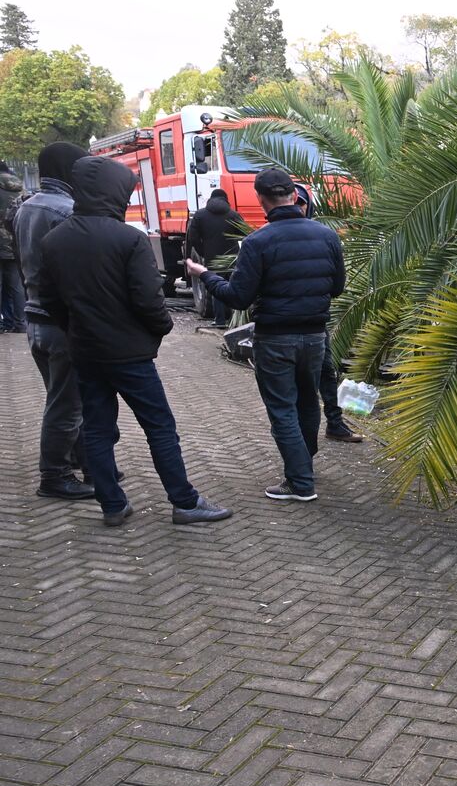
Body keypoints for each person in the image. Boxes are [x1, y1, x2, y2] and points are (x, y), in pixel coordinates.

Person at [37, 155, 232, 528]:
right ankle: (185, 501)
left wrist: (75, 330)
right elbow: (148, 300)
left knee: (96, 429)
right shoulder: (129, 239)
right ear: (114, 193)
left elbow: (49, 300)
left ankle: (112, 505)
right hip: (130, 355)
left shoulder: (54, 240)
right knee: (159, 427)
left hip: (86, 353)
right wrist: (159, 330)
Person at [187, 168, 345, 501]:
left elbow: (238, 297)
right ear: (293, 195)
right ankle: (305, 464)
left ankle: (301, 483)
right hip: (315, 336)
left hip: (275, 338)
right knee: (306, 400)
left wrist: (205, 275)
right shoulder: (327, 236)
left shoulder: (259, 241)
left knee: (282, 408)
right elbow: (338, 287)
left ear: (261, 199)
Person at [11, 143, 94, 499]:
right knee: (67, 404)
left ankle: (88, 461)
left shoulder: (23, 208)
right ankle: (55, 475)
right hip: (60, 323)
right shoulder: (68, 211)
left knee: (62, 397)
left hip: (34, 318)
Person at [291, 183, 363, 444]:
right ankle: (299, 450)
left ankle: (334, 423)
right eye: (294, 202)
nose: (298, 208)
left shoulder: (323, 237)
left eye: (301, 203)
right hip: (286, 329)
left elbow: (337, 285)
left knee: (326, 373)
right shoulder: (271, 237)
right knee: (299, 389)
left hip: (315, 322)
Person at [186, 188, 247, 328]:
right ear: (226, 199)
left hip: (212, 257)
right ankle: (235, 322)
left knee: (216, 287)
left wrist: (203, 252)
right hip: (232, 258)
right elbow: (245, 234)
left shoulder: (200, 215)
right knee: (234, 287)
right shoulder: (233, 215)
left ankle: (219, 320)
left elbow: (193, 238)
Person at [0, 161, 27, 333]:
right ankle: (20, 323)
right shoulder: (19, 187)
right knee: (16, 286)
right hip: (14, 241)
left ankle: (2, 324)